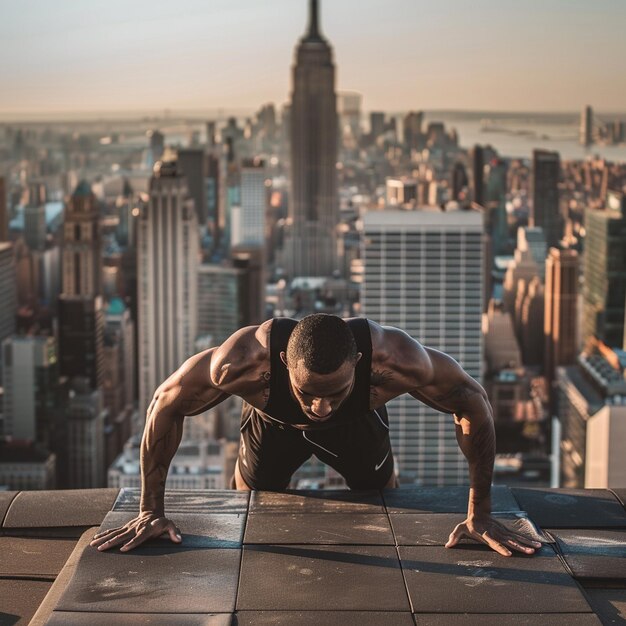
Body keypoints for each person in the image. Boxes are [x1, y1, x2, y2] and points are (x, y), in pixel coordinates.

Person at [91, 314, 542, 557]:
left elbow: (474, 402)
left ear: (361, 364)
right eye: (308, 394)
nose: (321, 408)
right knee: (252, 502)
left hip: (359, 427)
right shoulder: (241, 363)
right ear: (284, 363)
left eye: (336, 392)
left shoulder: (397, 359)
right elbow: (164, 404)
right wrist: (150, 509)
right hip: (273, 427)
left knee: (381, 498)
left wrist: (479, 512)